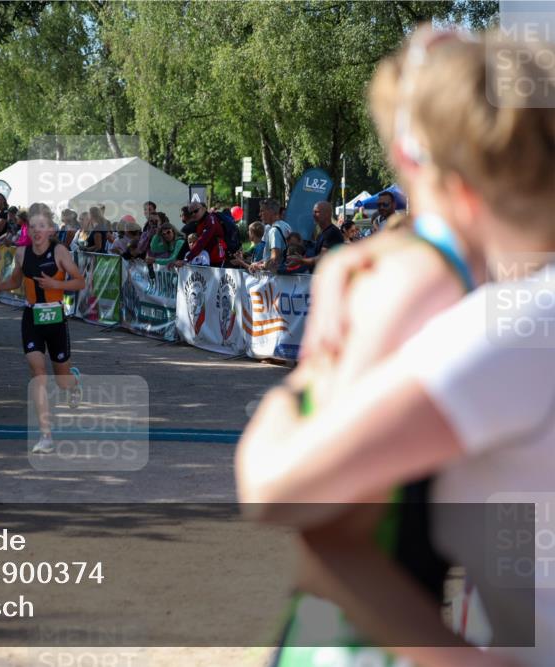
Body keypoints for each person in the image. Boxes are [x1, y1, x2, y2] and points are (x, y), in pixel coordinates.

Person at [238, 26, 555, 667]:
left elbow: (295, 499)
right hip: (348, 643)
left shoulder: (482, 292)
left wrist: (291, 391)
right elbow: (326, 525)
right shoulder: (427, 281)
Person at [0, 204, 86, 454]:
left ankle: (74, 381)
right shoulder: (22, 253)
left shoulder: (60, 252)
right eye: (33, 227)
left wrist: (55, 284)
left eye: (42, 226)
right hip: (32, 317)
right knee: (38, 374)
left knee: (62, 381)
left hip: (55, 318)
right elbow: (16, 281)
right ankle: (46, 435)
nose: (37, 231)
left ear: (51, 230)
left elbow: (80, 282)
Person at [296, 201, 344, 270]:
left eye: (317, 212)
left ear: (327, 214)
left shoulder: (332, 232)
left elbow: (322, 259)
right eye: (313, 212)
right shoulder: (323, 233)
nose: (313, 215)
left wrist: (302, 261)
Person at [249, 199, 292, 272]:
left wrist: (259, 266)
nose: (259, 214)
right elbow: (275, 256)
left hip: (275, 276)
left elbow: (274, 260)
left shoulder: (274, 231)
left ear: (271, 212)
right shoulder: (286, 225)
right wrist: (259, 263)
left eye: (262, 211)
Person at [181, 201, 227, 267]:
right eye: (191, 213)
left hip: (216, 258)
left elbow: (203, 240)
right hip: (207, 257)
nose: (193, 214)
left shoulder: (210, 219)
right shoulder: (198, 222)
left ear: (203, 209)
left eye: (196, 211)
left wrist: (187, 259)